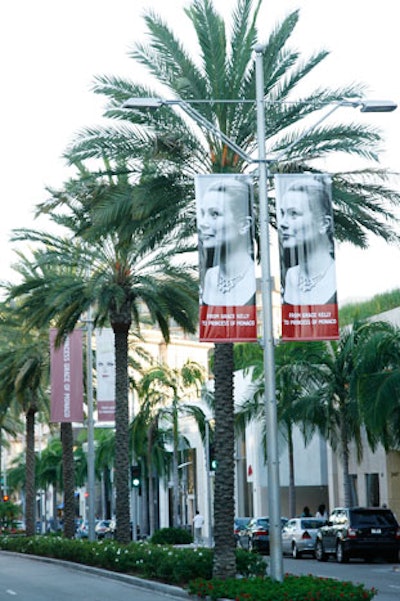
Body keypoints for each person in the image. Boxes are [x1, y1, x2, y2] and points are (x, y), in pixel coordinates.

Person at [277, 175, 337, 306]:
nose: (282, 223)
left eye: (294, 214)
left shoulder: (334, 277)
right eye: (283, 214)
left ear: (323, 223)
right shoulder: (290, 276)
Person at [197, 176, 256, 306]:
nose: (203, 223)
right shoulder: (209, 278)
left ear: (244, 225)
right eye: (202, 214)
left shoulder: (254, 278)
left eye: (215, 214)